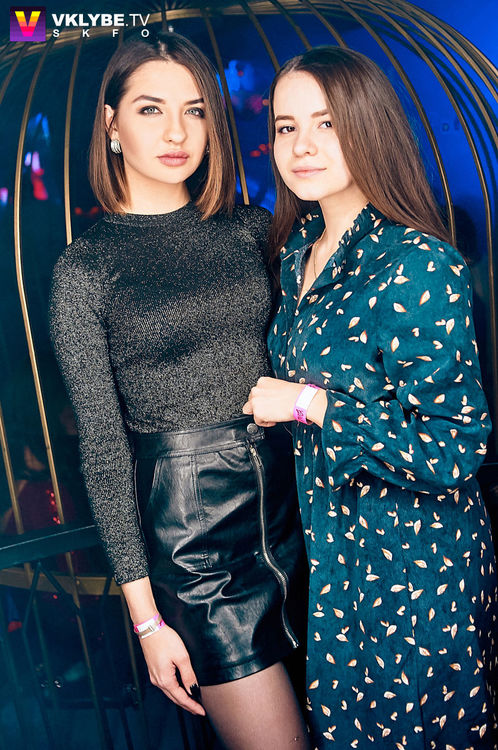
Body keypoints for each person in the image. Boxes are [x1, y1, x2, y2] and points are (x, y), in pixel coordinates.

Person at [50, 31, 310, 750]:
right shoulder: (85, 269)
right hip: (198, 548)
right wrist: (147, 622)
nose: (176, 132)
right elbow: (104, 450)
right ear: (111, 122)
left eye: (194, 111)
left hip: (304, 512)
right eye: (150, 109)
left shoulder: (252, 230)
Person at [243, 47, 498, 748]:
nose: (302, 145)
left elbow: (453, 447)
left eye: (326, 123)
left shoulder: (417, 262)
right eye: (287, 126)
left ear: (367, 126)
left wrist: (309, 404)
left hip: (417, 572)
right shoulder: (297, 250)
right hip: (335, 563)